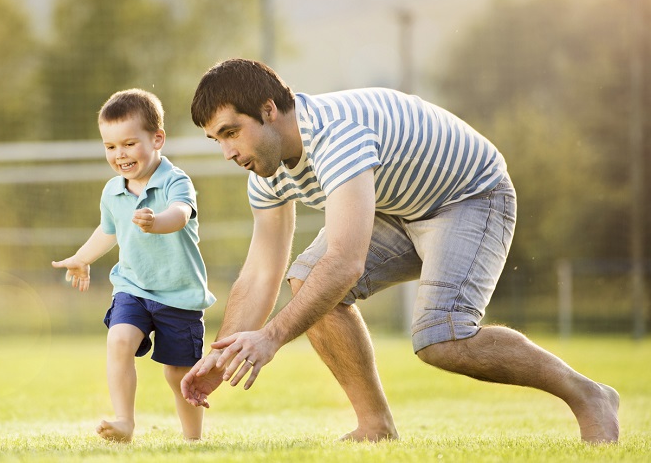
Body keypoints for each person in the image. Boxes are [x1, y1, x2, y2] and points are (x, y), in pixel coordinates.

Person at [179, 58, 620, 443]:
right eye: (217, 139)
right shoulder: (265, 171)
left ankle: (589, 394)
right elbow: (260, 272)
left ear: (269, 110)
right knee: (306, 280)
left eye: (231, 132)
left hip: (469, 196)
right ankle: (375, 426)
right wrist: (223, 353)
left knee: (442, 339)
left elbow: (346, 263)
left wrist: (272, 337)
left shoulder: (336, 137)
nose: (227, 152)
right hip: (397, 207)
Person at [52, 88, 216, 443]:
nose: (119, 154)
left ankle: (192, 438)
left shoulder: (176, 181)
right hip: (133, 287)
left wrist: (155, 221)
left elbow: (180, 214)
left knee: (178, 374)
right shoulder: (112, 190)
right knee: (120, 339)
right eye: (110, 147)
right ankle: (124, 422)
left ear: (157, 139)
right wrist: (82, 258)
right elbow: (108, 230)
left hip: (179, 294)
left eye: (128, 144)